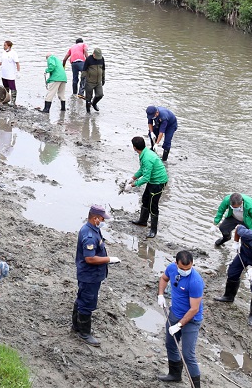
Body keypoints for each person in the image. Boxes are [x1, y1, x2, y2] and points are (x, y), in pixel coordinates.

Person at [73, 204, 119, 346]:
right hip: (89, 276)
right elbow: (90, 258)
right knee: (87, 302)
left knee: (82, 297)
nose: (103, 222)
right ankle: (84, 333)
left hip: (91, 275)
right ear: (95, 218)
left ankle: (76, 326)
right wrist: (109, 259)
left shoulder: (92, 229)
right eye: (102, 219)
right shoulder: (89, 235)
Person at [157, 251, 203, 387]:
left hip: (191, 320)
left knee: (188, 355)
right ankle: (175, 374)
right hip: (174, 313)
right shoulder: (171, 268)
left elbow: (194, 309)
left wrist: (179, 325)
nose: (185, 271)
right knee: (170, 345)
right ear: (176, 263)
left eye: (188, 268)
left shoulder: (195, 281)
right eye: (182, 269)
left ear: (192, 264)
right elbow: (164, 279)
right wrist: (160, 295)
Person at [215, 226, 252, 327]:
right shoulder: (248, 235)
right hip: (244, 255)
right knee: (232, 273)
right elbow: (238, 228)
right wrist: (236, 242)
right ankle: (228, 296)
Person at [127, 135, 168, 239]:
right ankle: (143, 221)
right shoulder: (144, 153)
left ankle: (153, 230)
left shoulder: (147, 158)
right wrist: (133, 178)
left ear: (134, 148)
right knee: (145, 199)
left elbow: (146, 178)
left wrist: (132, 185)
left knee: (153, 206)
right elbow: (142, 170)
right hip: (153, 180)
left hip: (158, 182)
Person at [0, 40, 20, 106]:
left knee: (12, 87)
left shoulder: (13, 53)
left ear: (9, 46)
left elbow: (17, 63)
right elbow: (2, 62)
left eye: (5, 45)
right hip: (4, 73)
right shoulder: (4, 53)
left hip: (10, 74)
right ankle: (6, 99)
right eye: (4, 45)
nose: (4, 47)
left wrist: (18, 72)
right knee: (5, 87)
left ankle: (13, 101)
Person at [81, 48, 105, 112]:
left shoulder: (101, 59)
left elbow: (103, 69)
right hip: (89, 82)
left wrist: (103, 79)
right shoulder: (89, 59)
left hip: (98, 82)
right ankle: (88, 112)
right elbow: (84, 70)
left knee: (100, 95)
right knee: (88, 98)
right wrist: (82, 80)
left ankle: (94, 103)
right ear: (93, 54)